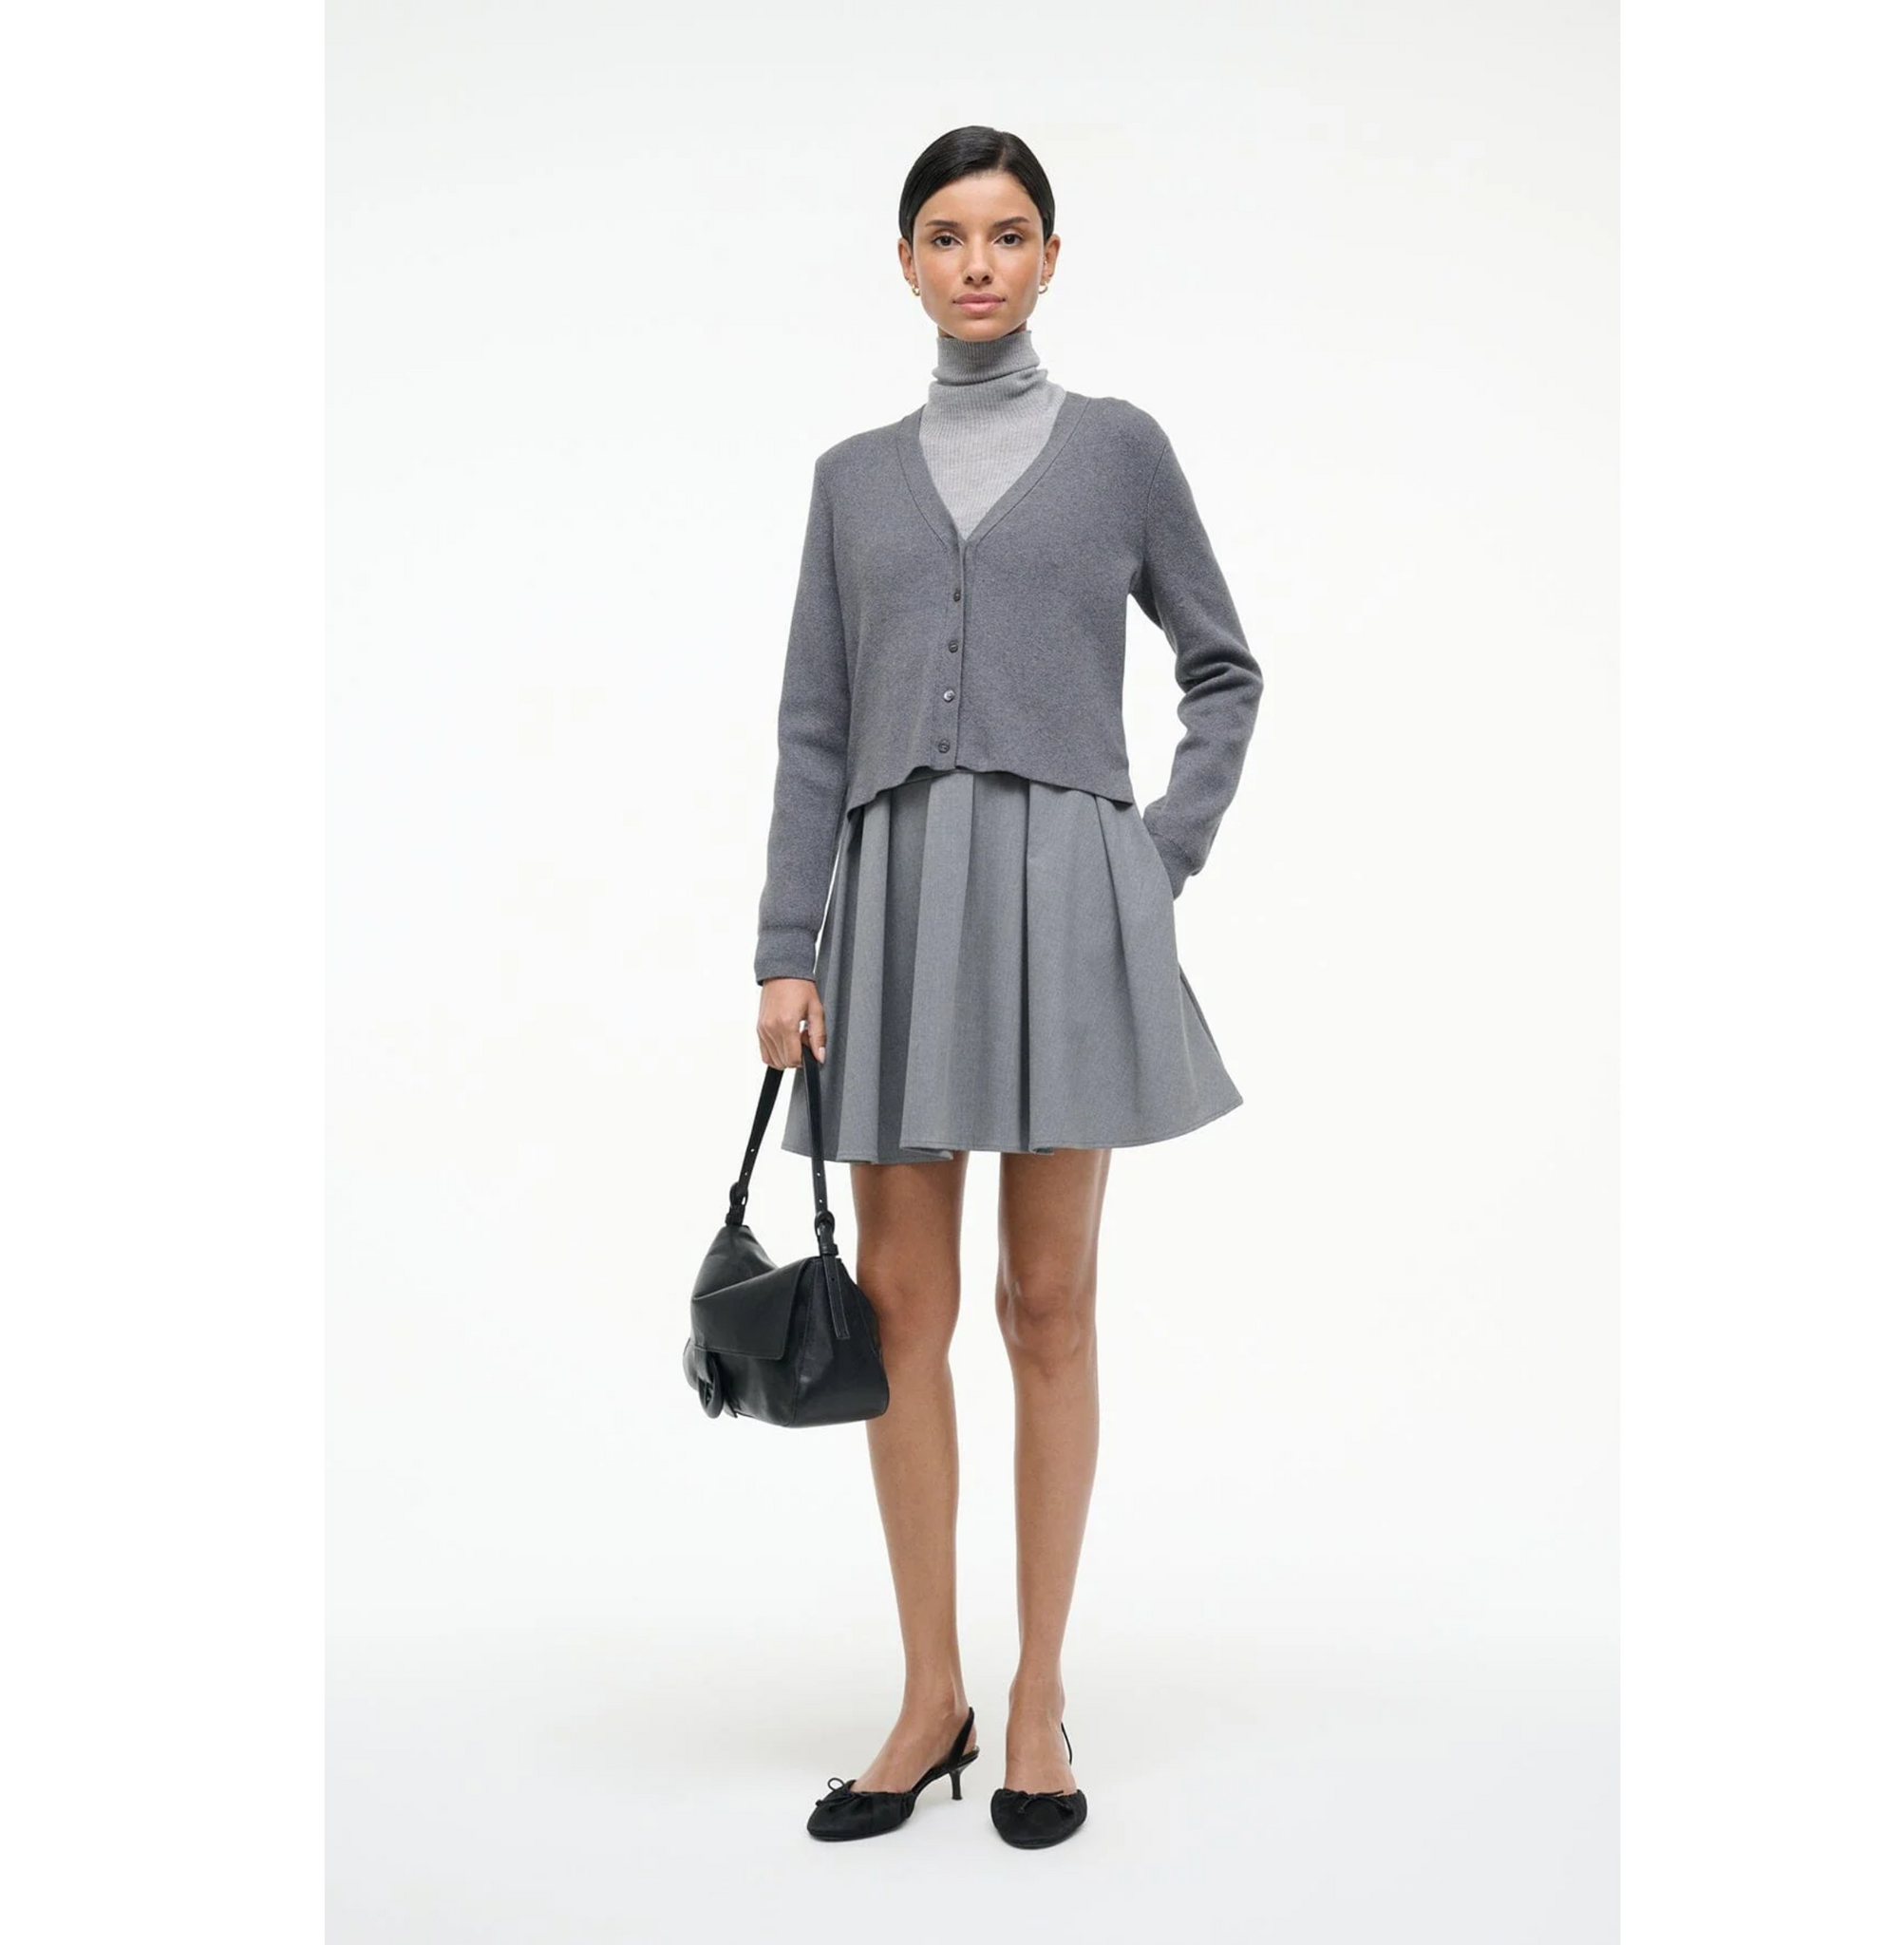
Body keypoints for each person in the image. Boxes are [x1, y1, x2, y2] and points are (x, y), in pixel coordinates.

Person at [752, 125, 1264, 1849]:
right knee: (902, 1318)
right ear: (905, 261)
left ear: (1051, 256)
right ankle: (931, 1696)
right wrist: (786, 945)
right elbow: (814, 727)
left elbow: (1223, 670)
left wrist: (1152, 856)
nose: (978, 262)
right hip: (894, 914)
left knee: (1048, 1306)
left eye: (1010, 233)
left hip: (1066, 910)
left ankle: (1037, 1696)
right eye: (947, 235)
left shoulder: (1121, 451)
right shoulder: (850, 479)